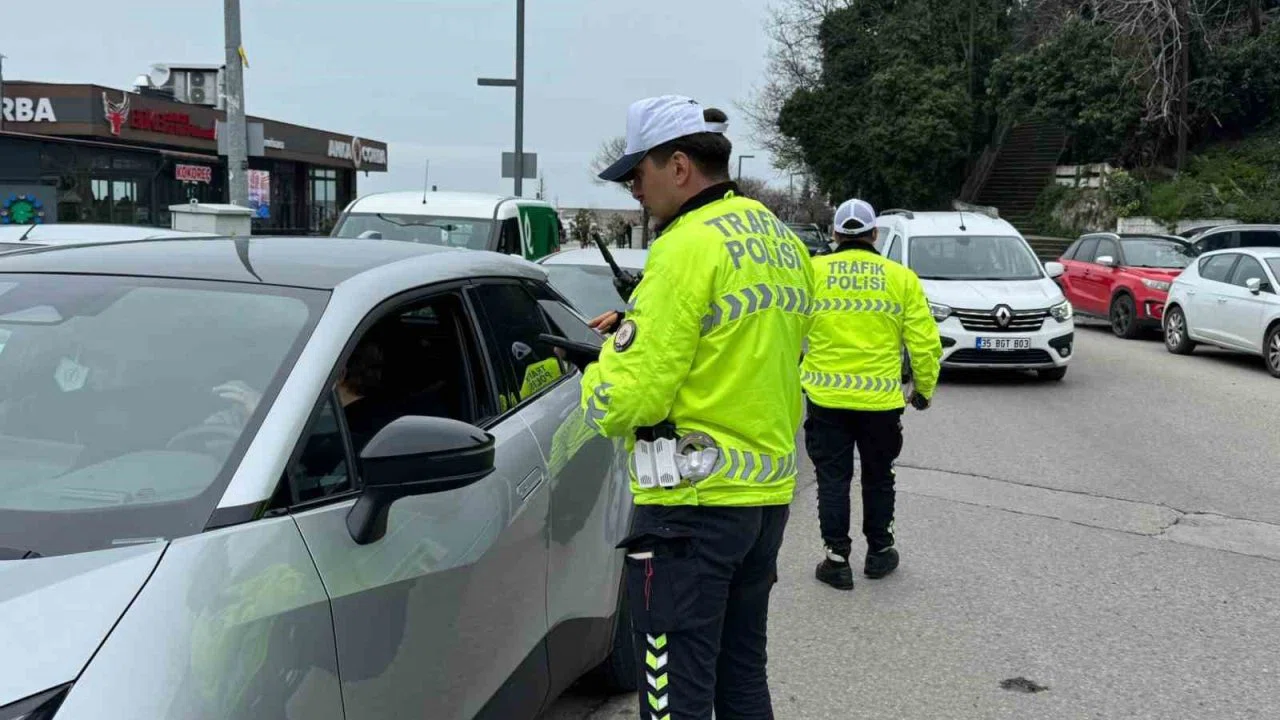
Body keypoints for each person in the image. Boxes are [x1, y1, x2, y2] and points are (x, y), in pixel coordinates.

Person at [581, 95, 814, 719]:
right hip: (762, 500)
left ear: (679, 166)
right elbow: (745, 345)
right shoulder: (780, 239)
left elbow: (632, 397)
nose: (633, 188)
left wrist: (596, 367)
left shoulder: (685, 246)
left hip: (689, 508)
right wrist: (644, 327)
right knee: (741, 677)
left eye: (637, 173)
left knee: (672, 694)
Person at [801, 197, 942, 591]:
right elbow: (925, 343)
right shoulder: (900, 278)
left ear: (834, 234)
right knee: (879, 477)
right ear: (874, 234)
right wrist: (923, 390)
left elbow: (791, 332)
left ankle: (836, 560)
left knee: (832, 478)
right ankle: (879, 553)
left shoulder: (812, 273)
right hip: (881, 402)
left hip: (826, 398)